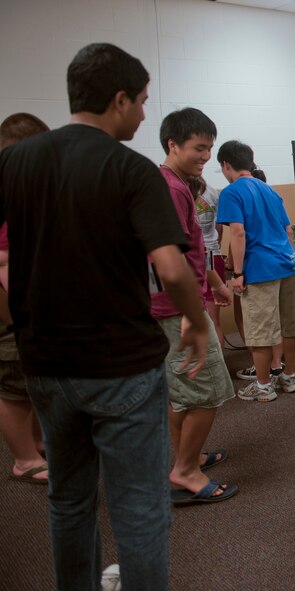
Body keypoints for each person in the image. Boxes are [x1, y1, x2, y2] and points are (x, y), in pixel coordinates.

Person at [0, 42, 208, 591]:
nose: (144, 114)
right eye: (140, 102)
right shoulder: (132, 170)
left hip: (44, 363)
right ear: (118, 100)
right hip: (121, 367)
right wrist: (198, 321)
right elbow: (172, 267)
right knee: (139, 509)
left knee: (69, 500)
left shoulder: (15, 159)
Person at [156, 108, 237, 505]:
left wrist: (216, 282)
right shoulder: (170, 189)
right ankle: (185, 471)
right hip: (176, 308)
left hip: (179, 302)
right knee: (207, 391)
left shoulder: (176, 185)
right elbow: (169, 257)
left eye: (209, 149)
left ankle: (189, 457)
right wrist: (192, 314)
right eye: (197, 148)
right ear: (173, 145)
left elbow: (192, 248)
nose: (205, 156)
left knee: (182, 391)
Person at [217, 140, 295, 402]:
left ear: (226, 165)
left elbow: (237, 231)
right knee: (290, 326)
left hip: (259, 270)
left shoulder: (231, 192)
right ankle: (289, 378)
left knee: (260, 331)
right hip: (287, 265)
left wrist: (238, 273)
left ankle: (263, 385)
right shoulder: (270, 190)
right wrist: (287, 257)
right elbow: (288, 230)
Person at [0, 113, 50, 486]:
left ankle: (35, 443)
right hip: (9, 310)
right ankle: (23, 459)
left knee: (28, 381)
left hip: (26, 307)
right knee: (13, 387)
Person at [189, 175, 227, 346]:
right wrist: (215, 243)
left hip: (193, 257)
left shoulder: (176, 190)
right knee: (213, 320)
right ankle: (219, 366)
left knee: (195, 320)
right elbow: (219, 227)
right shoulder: (212, 191)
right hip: (212, 252)